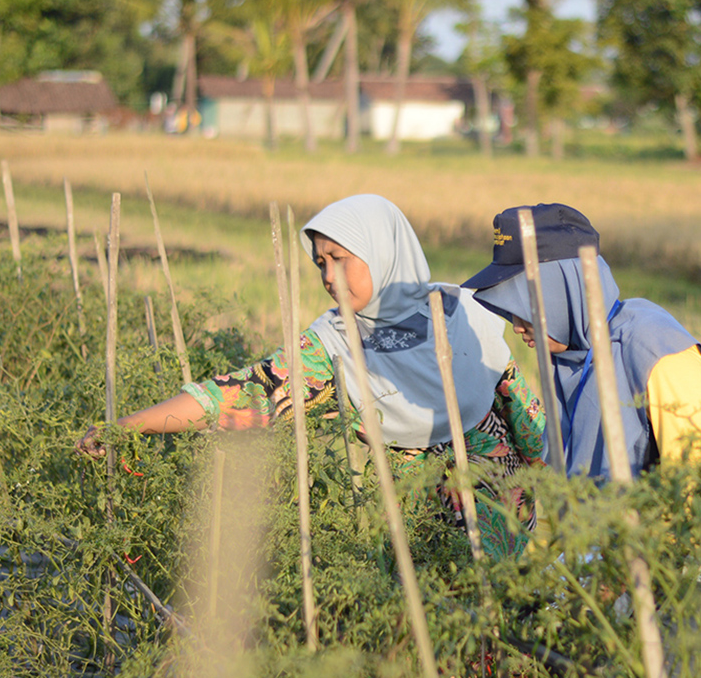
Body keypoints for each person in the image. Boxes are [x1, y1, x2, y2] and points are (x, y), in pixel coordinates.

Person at [75, 194, 546, 559]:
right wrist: (127, 428)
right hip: (416, 519)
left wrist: (560, 489)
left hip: (501, 502)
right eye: (321, 262)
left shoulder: (460, 310)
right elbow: (250, 391)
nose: (327, 274)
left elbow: (518, 402)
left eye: (340, 257)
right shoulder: (335, 342)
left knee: (506, 628)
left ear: (383, 252)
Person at [461, 203, 701, 481]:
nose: (517, 326)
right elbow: (561, 492)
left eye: (524, 305)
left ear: (563, 290)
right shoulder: (568, 359)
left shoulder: (656, 352)